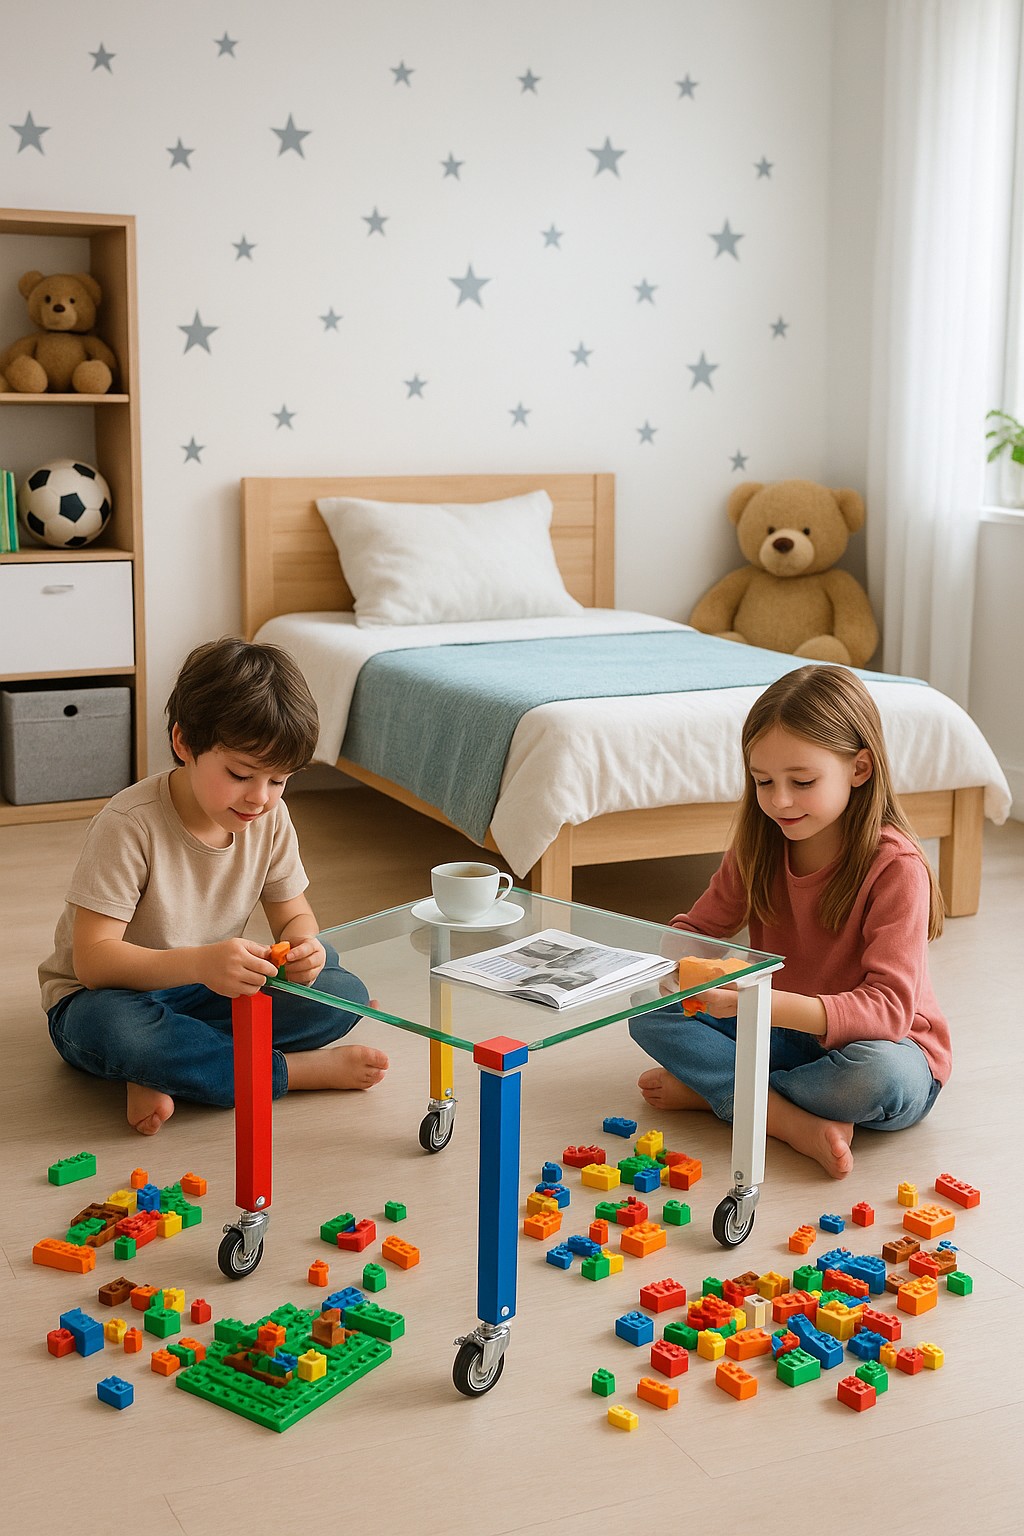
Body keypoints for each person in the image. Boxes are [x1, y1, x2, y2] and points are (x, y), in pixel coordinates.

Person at [40, 637, 388, 1135]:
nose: (260, 798)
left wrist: (303, 948)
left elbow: (294, 915)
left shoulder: (270, 818)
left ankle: (169, 1067)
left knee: (340, 983)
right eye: (241, 774)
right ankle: (290, 1072)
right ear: (184, 743)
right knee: (116, 1031)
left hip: (210, 987)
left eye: (279, 780)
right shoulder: (128, 824)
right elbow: (93, 963)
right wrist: (202, 963)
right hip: (110, 996)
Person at [629, 664, 948, 1179]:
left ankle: (725, 1092)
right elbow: (698, 931)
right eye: (763, 781)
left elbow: (887, 1013)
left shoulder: (897, 868)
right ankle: (788, 1118)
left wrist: (749, 1001)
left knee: (879, 1077)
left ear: (860, 769)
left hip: (883, 1048)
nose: (779, 800)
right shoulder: (758, 847)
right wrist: (668, 962)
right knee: (648, 1007)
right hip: (778, 1030)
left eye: (802, 781)